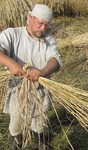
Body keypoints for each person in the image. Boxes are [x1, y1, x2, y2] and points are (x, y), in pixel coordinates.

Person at [0, 4, 62, 150]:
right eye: (40, 23)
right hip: (17, 90)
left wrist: (43, 71)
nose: (43, 29)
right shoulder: (12, 34)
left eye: (46, 25)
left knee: (40, 122)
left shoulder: (48, 39)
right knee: (16, 123)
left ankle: (39, 143)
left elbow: (55, 59)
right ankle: (16, 144)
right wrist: (11, 64)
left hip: (39, 89)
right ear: (30, 18)